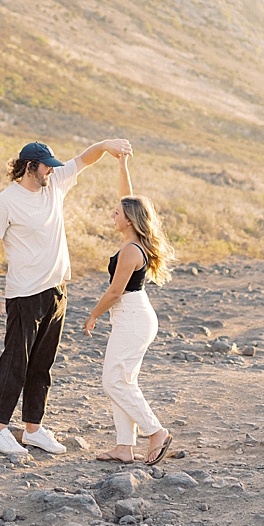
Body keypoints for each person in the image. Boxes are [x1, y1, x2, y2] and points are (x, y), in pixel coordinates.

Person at [0, 138, 133, 456]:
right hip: (24, 294)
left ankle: (33, 429)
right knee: (15, 362)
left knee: (42, 365)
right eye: (46, 165)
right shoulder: (6, 201)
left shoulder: (55, 184)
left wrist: (107, 145)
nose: (52, 170)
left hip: (56, 291)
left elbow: (84, 159)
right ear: (29, 166)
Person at [82, 152, 175, 465]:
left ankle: (156, 432)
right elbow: (128, 198)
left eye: (116, 212)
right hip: (133, 317)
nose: (112, 215)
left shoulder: (130, 251)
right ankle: (124, 448)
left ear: (129, 220)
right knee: (123, 381)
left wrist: (93, 315)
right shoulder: (135, 243)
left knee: (114, 381)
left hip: (133, 318)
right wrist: (122, 165)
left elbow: (114, 291)